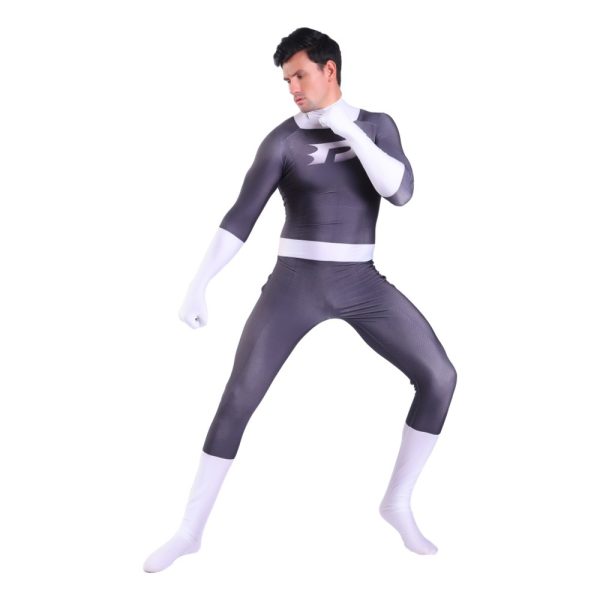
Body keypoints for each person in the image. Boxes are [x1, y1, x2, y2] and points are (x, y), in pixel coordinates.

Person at [143, 27, 457, 573]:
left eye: (299, 75)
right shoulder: (282, 140)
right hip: (295, 284)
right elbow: (240, 216)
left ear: (329, 70)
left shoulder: (378, 126)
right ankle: (189, 531)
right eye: (286, 79)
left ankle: (397, 503)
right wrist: (199, 283)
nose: (292, 87)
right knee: (238, 397)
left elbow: (400, 192)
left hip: (361, 282)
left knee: (440, 377)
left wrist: (347, 129)